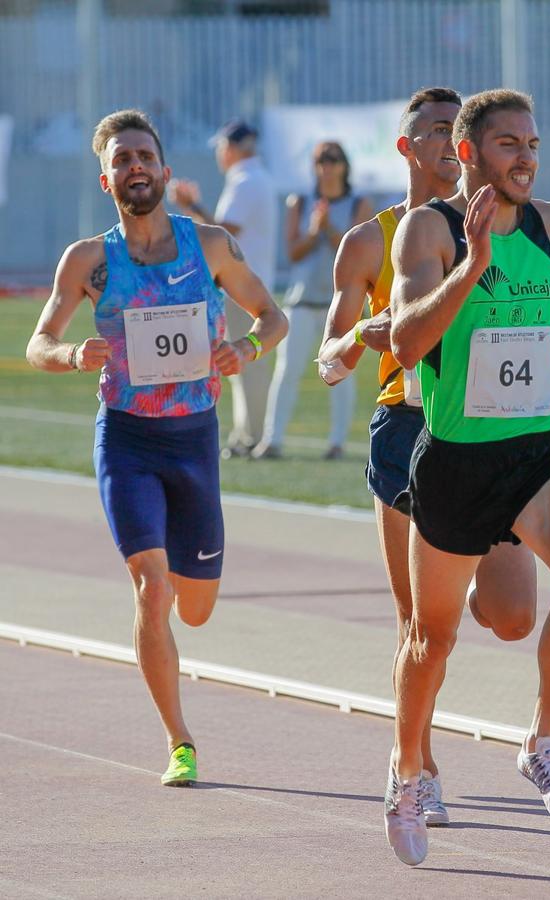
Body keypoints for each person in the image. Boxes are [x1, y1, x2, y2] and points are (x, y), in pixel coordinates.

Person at [386, 89, 550, 866]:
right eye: (508, 143)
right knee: (433, 638)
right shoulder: (429, 229)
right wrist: (474, 265)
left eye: (532, 142)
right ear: (469, 152)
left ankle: (542, 742)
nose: (525, 155)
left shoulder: (548, 221)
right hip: (456, 459)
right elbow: (411, 341)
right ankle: (408, 769)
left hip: (539, 448)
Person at [26, 109, 288, 787]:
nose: (134, 167)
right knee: (152, 587)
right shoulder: (88, 260)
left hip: (194, 439)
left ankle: (180, 629)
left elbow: (273, 314)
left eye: (144, 155)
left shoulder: (210, 244)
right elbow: (37, 342)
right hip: (128, 438)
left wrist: (247, 347)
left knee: (195, 607)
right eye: (122, 159)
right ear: (106, 176)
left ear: (166, 170)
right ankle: (179, 740)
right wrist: (70, 355)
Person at [317, 87, 538, 839]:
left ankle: (464, 584)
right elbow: (327, 358)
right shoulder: (371, 241)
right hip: (405, 427)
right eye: (434, 130)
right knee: (418, 623)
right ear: (407, 146)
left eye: (457, 129)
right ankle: (418, 766)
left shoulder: (503, 226)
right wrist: (358, 341)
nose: (449, 140)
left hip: (483, 428)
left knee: (510, 615)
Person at [252, 141, 373, 460]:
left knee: (341, 374)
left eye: (333, 160)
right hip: (302, 301)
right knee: (287, 371)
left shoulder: (359, 203)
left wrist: (328, 229)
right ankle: (272, 439)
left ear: (344, 165)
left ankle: (337, 443)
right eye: (321, 160)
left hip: (342, 304)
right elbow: (292, 253)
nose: (327, 167)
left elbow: (355, 254)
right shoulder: (300, 202)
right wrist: (313, 231)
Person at [169, 118, 277, 458]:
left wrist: (191, 207)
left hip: (240, 287)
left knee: (245, 363)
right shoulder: (253, 178)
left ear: (232, 148)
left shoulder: (246, 181)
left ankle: (249, 436)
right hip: (246, 284)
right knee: (245, 363)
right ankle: (247, 434)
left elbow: (222, 233)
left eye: (221, 146)